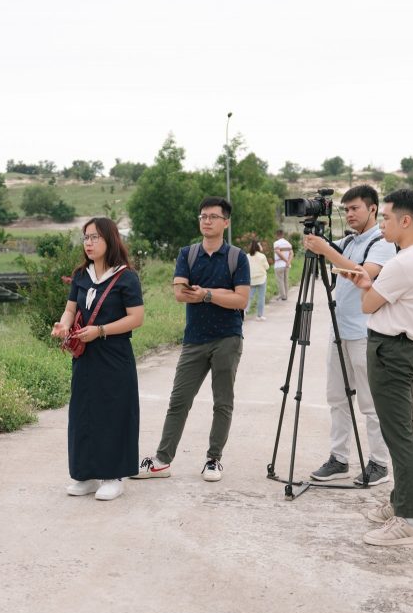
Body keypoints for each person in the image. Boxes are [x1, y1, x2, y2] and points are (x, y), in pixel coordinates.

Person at [132, 196, 250, 482]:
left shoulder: (237, 257)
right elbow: (179, 293)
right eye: (202, 216)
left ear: (226, 222)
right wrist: (219, 295)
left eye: (213, 216)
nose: (206, 221)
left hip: (227, 338)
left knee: (222, 402)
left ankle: (213, 460)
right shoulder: (188, 254)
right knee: (179, 400)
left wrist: (206, 295)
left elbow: (242, 300)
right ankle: (161, 460)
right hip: (194, 339)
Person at [349, 189, 413, 546]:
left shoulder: (404, 262)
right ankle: (399, 503)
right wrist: (371, 285)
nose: (381, 223)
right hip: (399, 348)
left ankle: (409, 519)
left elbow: (369, 305)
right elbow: (379, 298)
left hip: (392, 351)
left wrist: (366, 287)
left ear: (405, 220)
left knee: (399, 435)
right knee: (398, 430)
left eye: (385, 217)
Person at [302, 185, 396, 487]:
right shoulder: (350, 241)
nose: (350, 214)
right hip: (338, 331)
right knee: (337, 399)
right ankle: (339, 458)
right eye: (347, 209)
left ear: (372, 209)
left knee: (371, 402)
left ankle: (379, 463)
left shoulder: (381, 243)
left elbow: (362, 274)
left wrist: (326, 250)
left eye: (356, 208)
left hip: (365, 333)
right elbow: (335, 255)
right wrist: (318, 241)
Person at [51, 218, 144, 501]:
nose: (88, 243)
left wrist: (101, 330)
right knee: (84, 413)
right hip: (85, 355)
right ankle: (86, 474)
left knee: (114, 413)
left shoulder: (126, 277)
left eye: (94, 237)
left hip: (114, 354)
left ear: (110, 239)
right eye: (85, 238)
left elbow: (136, 318)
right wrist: (64, 325)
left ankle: (114, 476)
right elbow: (70, 309)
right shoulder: (82, 274)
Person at [245, 239, 271, 321]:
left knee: (249, 297)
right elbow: (267, 267)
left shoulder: (247, 256)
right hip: (261, 279)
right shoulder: (262, 256)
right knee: (261, 297)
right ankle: (259, 316)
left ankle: (244, 312)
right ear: (258, 246)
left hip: (251, 280)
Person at [272, 228, 293, 301]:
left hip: (279, 264)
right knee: (286, 280)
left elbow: (278, 252)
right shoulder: (288, 243)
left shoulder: (276, 243)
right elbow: (291, 254)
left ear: (277, 235)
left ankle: (283, 296)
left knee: (280, 280)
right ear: (283, 234)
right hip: (287, 265)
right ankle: (286, 295)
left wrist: (285, 260)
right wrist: (288, 262)